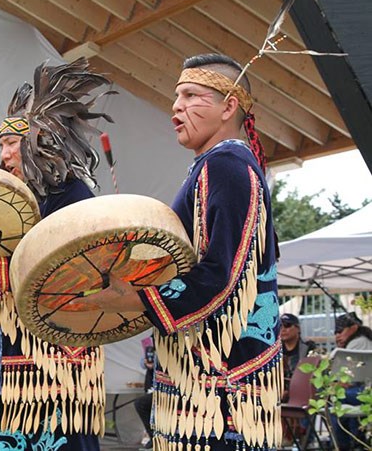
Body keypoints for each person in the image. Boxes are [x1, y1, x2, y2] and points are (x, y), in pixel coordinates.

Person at [68, 53, 281, 450]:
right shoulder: (215, 166)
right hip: (207, 378)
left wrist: (138, 299)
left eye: (190, 95)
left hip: (220, 384)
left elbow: (224, 275)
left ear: (228, 106)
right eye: (175, 97)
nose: (176, 107)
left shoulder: (228, 167)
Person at [0, 58, 112, 450]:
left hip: (61, 365)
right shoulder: (14, 204)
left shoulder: (74, 197)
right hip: (16, 360)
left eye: (11, 143)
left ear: (41, 141)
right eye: (1, 144)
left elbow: (67, 278)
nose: (3, 156)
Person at [330, 313, 372, 450]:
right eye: (335, 332)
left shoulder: (357, 343)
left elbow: (344, 380)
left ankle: (342, 445)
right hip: (363, 392)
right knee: (345, 397)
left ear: (353, 327)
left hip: (366, 393)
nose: (337, 335)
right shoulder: (364, 340)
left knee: (334, 396)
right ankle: (356, 441)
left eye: (340, 330)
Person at [280, 313, 317, 399]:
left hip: (303, 391)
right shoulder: (275, 350)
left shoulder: (309, 348)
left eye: (287, 325)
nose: (283, 330)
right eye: (280, 327)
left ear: (298, 328)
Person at [134, 344, 155, 449]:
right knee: (143, 405)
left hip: (164, 388)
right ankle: (153, 435)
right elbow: (142, 363)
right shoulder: (150, 342)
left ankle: (154, 436)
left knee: (141, 404)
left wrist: (155, 364)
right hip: (151, 385)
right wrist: (146, 362)